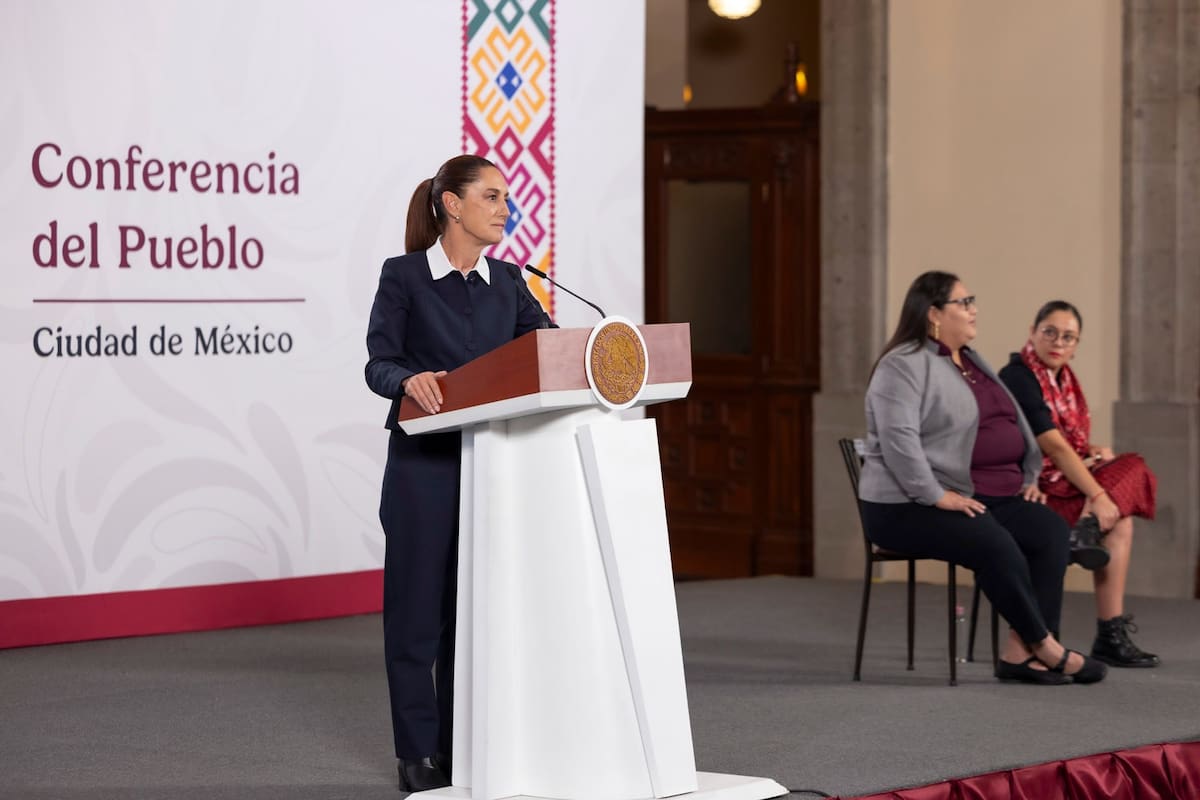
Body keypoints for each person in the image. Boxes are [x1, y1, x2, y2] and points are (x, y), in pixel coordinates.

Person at [364, 154, 551, 792]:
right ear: (452, 204)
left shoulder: (509, 282)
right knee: (419, 615)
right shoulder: (405, 277)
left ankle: (464, 746)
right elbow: (378, 363)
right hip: (423, 467)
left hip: (495, 468)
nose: (505, 208)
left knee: (477, 617)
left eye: (506, 198)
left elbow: (545, 351)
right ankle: (418, 753)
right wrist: (408, 379)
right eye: (492, 197)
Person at [858, 271, 1107, 685]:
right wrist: (937, 496)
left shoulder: (970, 359)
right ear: (934, 313)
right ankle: (1045, 646)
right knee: (993, 541)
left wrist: (1028, 474)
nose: (974, 309)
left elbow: (1010, 421)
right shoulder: (901, 365)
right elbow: (899, 441)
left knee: (1048, 531)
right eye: (964, 302)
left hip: (982, 494)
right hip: (904, 505)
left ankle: (1018, 656)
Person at [998, 300, 1159, 668]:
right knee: (1126, 481)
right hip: (1033, 493)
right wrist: (1097, 494)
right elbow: (1051, 443)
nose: (1058, 342)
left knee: (1122, 508)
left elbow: (1067, 445)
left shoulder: (1064, 379)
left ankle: (1109, 634)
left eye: (1069, 337)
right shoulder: (1019, 375)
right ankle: (1087, 526)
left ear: (1076, 345)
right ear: (1032, 332)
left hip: (1057, 484)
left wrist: (1090, 450)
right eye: (1050, 332)